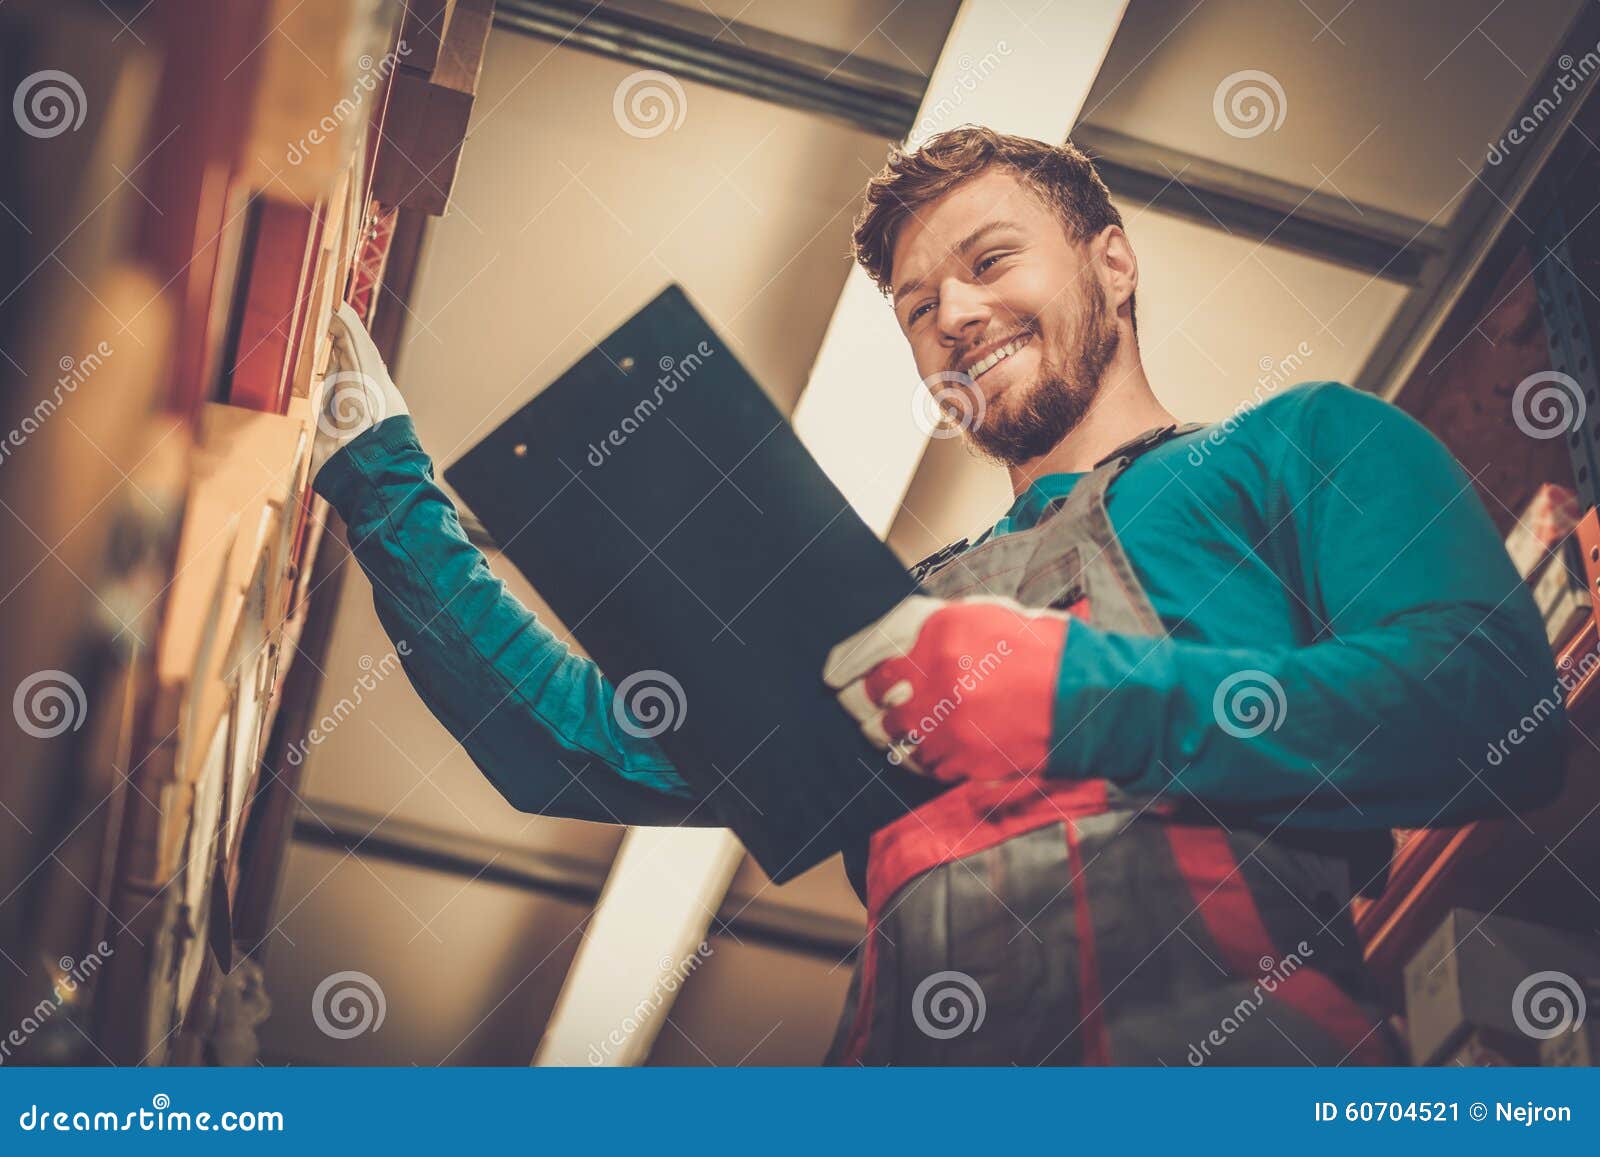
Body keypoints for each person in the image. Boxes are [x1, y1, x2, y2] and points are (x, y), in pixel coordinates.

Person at [310, 126, 1566, 1066]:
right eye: (919, 307)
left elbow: (1492, 708)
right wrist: (380, 480)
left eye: (988, 260)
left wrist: (1081, 696)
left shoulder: (1299, 447)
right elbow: (566, 742)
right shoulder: (880, 632)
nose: (955, 315)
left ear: (1111, 264)